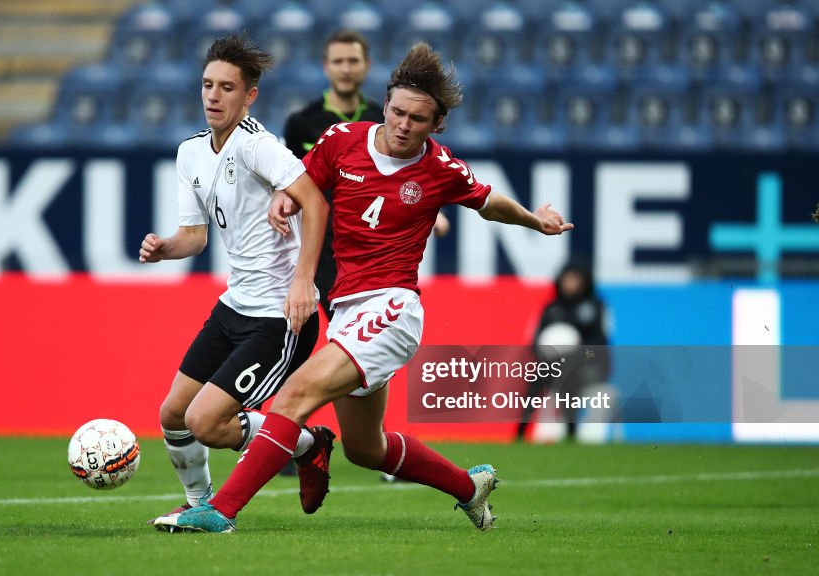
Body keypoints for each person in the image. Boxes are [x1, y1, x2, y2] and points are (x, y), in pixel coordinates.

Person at [154, 42, 574, 534]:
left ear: (436, 125)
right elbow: (305, 186)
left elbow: (488, 201)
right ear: (387, 104)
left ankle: (219, 511)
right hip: (348, 311)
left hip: (393, 309)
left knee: (296, 393)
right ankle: (468, 487)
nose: (401, 125)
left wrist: (534, 220)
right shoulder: (341, 140)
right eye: (396, 111)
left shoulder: (439, 168)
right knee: (364, 449)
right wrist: (283, 203)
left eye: (417, 120)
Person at [138, 32, 334, 526]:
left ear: (249, 96)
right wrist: (165, 248)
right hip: (234, 306)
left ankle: (309, 444)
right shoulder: (191, 154)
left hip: (279, 316)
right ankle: (199, 503)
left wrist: (302, 282)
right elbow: (194, 237)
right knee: (173, 415)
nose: (213, 96)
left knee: (207, 421)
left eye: (227, 87)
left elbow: (315, 202)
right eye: (207, 85)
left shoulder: (259, 146)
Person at [279, 28, 449, 480]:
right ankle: (289, 432)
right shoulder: (304, 123)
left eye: (353, 61)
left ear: (365, 67)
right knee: (310, 343)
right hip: (323, 251)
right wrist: (286, 201)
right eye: (338, 61)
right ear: (326, 66)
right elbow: (295, 181)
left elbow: (420, 182)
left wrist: (434, 210)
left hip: (371, 259)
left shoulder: (389, 116)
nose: (346, 68)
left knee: (349, 349)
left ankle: (293, 434)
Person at [516, 258, 611, 442]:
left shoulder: (596, 308)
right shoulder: (551, 309)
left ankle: (570, 430)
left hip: (589, 360)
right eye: (568, 279)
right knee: (536, 379)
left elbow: (599, 345)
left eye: (576, 280)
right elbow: (536, 341)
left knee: (570, 376)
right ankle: (520, 432)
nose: (571, 284)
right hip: (553, 362)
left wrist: (575, 356)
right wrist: (545, 357)